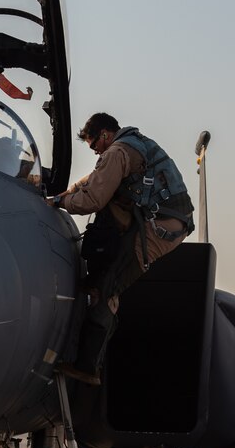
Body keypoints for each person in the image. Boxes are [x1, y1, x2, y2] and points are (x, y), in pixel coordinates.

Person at [48, 112, 194, 385]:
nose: (95, 152)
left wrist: (59, 204)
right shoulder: (129, 145)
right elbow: (93, 180)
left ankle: (88, 367)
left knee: (108, 288)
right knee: (105, 272)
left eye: (94, 146)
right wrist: (62, 195)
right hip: (160, 219)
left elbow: (92, 198)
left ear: (104, 135)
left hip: (161, 228)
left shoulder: (118, 152)